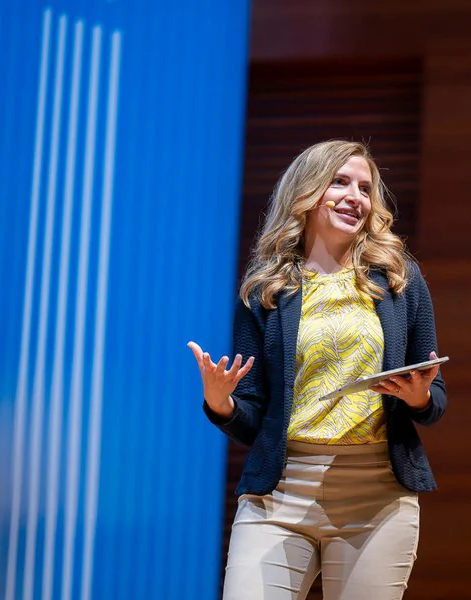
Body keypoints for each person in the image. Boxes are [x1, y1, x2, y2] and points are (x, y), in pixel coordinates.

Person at [187, 140, 447, 600]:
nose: (356, 197)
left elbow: (434, 399)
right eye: (341, 182)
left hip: (377, 497)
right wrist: (220, 403)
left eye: (366, 188)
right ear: (307, 193)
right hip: (280, 494)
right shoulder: (265, 290)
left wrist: (417, 396)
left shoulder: (399, 278)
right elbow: (252, 420)